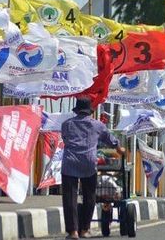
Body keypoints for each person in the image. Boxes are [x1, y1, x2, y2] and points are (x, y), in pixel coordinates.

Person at [61, 97, 125, 239]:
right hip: (88, 163)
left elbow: (65, 139)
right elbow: (111, 140)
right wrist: (120, 150)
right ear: (90, 111)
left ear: (76, 110)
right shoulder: (97, 125)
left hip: (70, 162)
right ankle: (84, 230)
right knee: (89, 196)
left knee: (69, 198)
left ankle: (73, 232)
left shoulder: (66, 124)